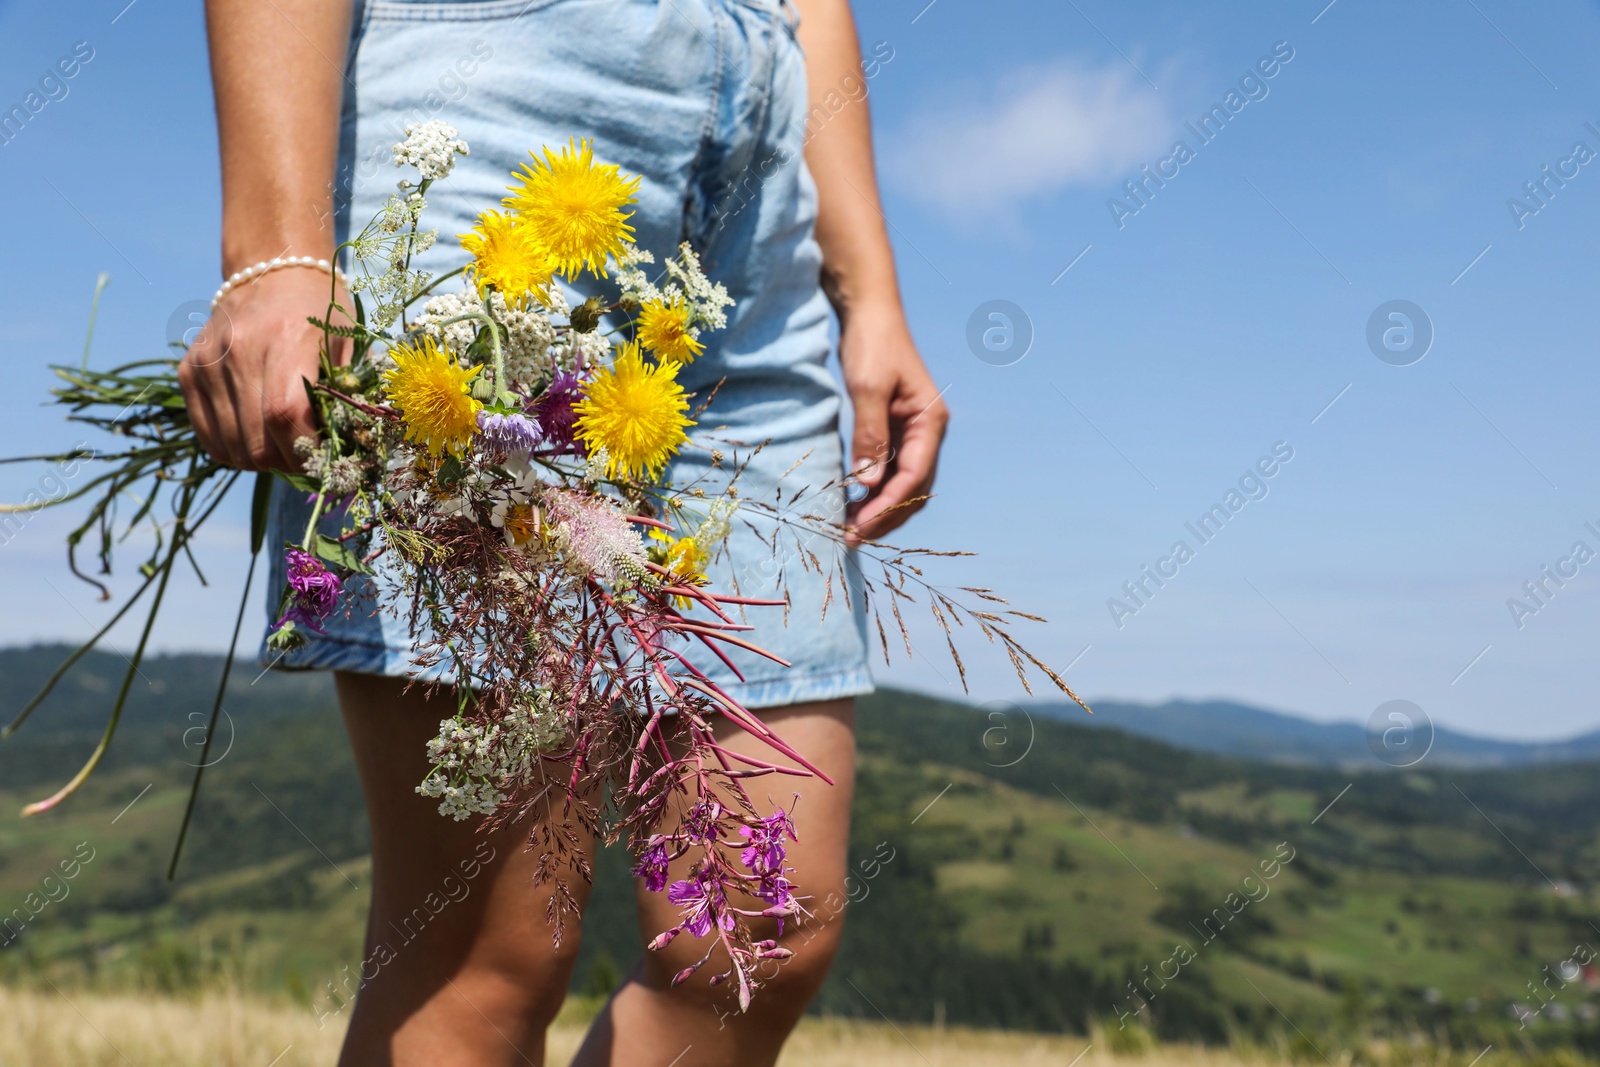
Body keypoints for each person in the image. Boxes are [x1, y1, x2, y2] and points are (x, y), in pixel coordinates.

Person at [178, 0, 947, 1063]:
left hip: (766, 211)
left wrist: (871, 294)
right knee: (486, 957)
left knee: (756, 933)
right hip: (498, 107)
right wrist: (274, 251)